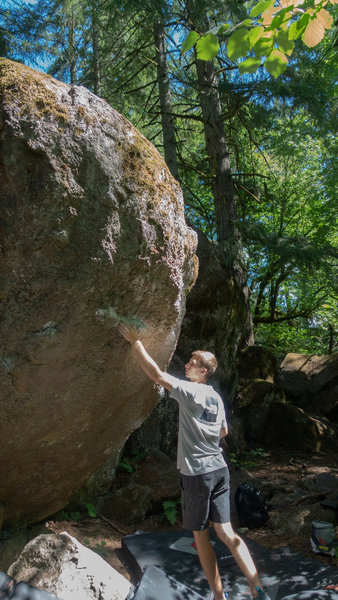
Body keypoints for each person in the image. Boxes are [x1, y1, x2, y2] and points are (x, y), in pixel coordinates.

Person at [118, 323, 271, 600]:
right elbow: (224, 431)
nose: (187, 364)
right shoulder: (215, 397)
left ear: (204, 371)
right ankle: (257, 587)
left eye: (193, 362)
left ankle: (218, 596)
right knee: (227, 533)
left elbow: (157, 375)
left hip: (197, 474)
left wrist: (135, 342)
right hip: (220, 470)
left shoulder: (192, 392)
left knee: (201, 539)